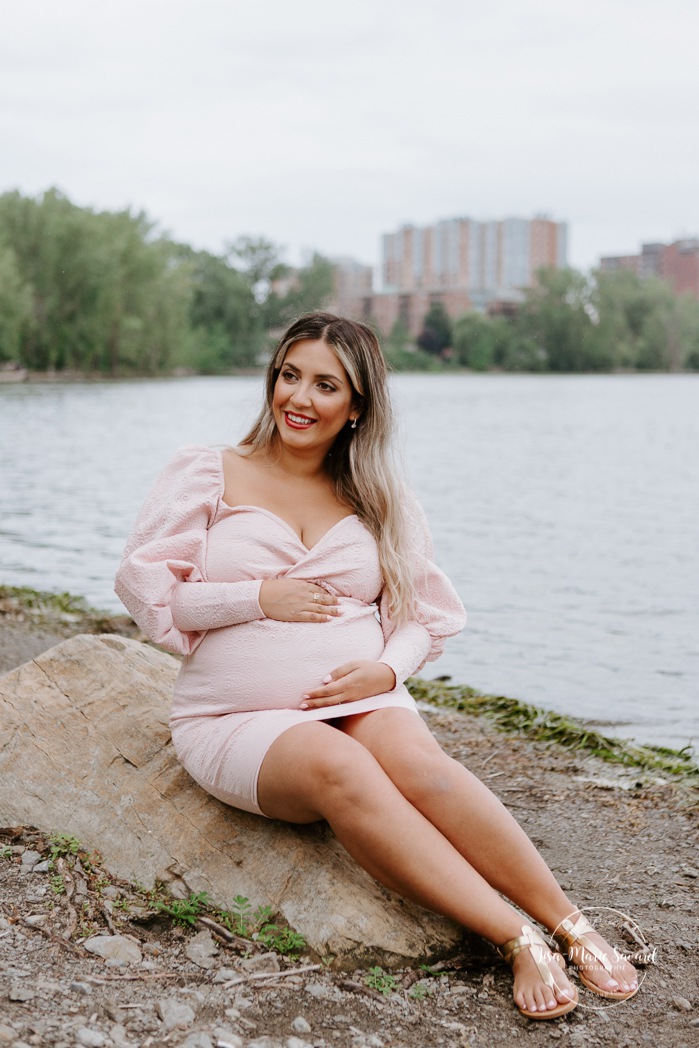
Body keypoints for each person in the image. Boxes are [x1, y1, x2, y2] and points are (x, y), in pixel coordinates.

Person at [115, 311, 639, 1020]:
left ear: (356, 406)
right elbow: (151, 594)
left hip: (362, 697)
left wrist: (386, 674)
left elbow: (424, 616)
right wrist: (256, 596)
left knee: (421, 766)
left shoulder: (379, 497)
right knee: (343, 769)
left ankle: (570, 923)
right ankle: (514, 935)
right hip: (234, 718)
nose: (299, 398)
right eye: (288, 375)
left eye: (324, 385)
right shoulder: (209, 471)